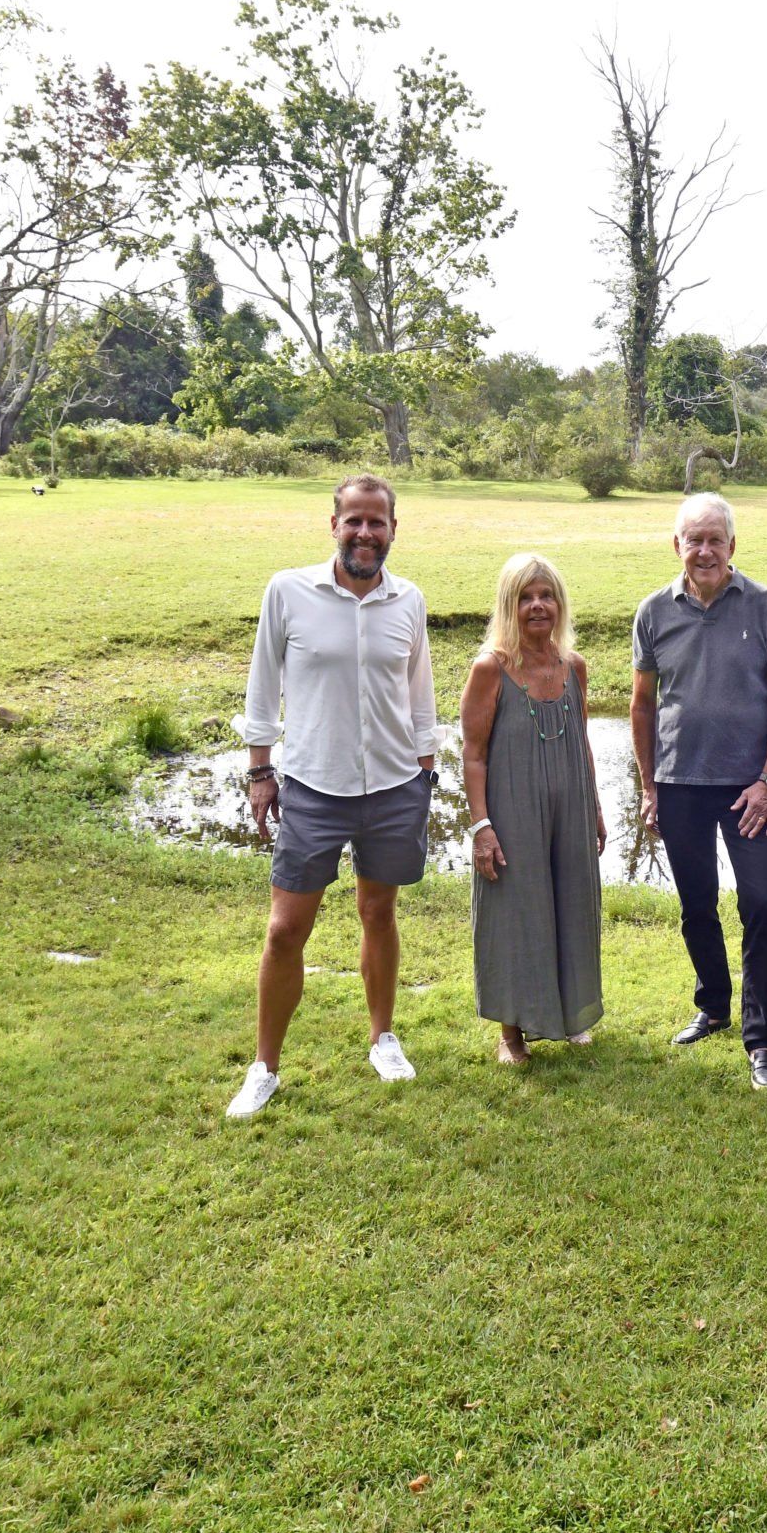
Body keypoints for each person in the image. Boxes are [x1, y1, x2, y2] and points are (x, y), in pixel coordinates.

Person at [225, 473, 438, 1116]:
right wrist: (260, 771)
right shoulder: (288, 591)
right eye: (354, 521)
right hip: (314, 786)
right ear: (335, 525)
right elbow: (263, 687)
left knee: (379, 913)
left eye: (378, 522)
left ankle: (382, 1038)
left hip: (395, 785)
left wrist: (427, 771)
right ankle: (264, 1066)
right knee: (286, 929)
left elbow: (419, 692)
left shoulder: (409, 601)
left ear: (394, 529)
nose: (365, 533)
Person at [631, 493, 767, 1089]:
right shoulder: (654, 611)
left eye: (715, 539)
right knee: (696, 904)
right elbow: (643, 704)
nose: (704, 550)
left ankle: (761, 1038)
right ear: (676, 545)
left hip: (750, 788)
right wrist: (649, 786)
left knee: (761, 906)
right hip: (679, 784)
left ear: (733, 545)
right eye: (693, 539)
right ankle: (713, 1005)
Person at [462, 553, 605, 1068]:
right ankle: (511, 1034)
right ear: (509, 604)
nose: (538, 605)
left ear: (560, 604)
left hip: (570, 803)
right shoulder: (490, 669)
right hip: (511, 807)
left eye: (546, 595)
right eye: (526, 596)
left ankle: (572, 1019)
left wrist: (594, 808)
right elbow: (473, 755)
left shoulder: (574, 667)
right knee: (517, 912)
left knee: (571, 903)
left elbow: (583, 743)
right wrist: (481, 827)